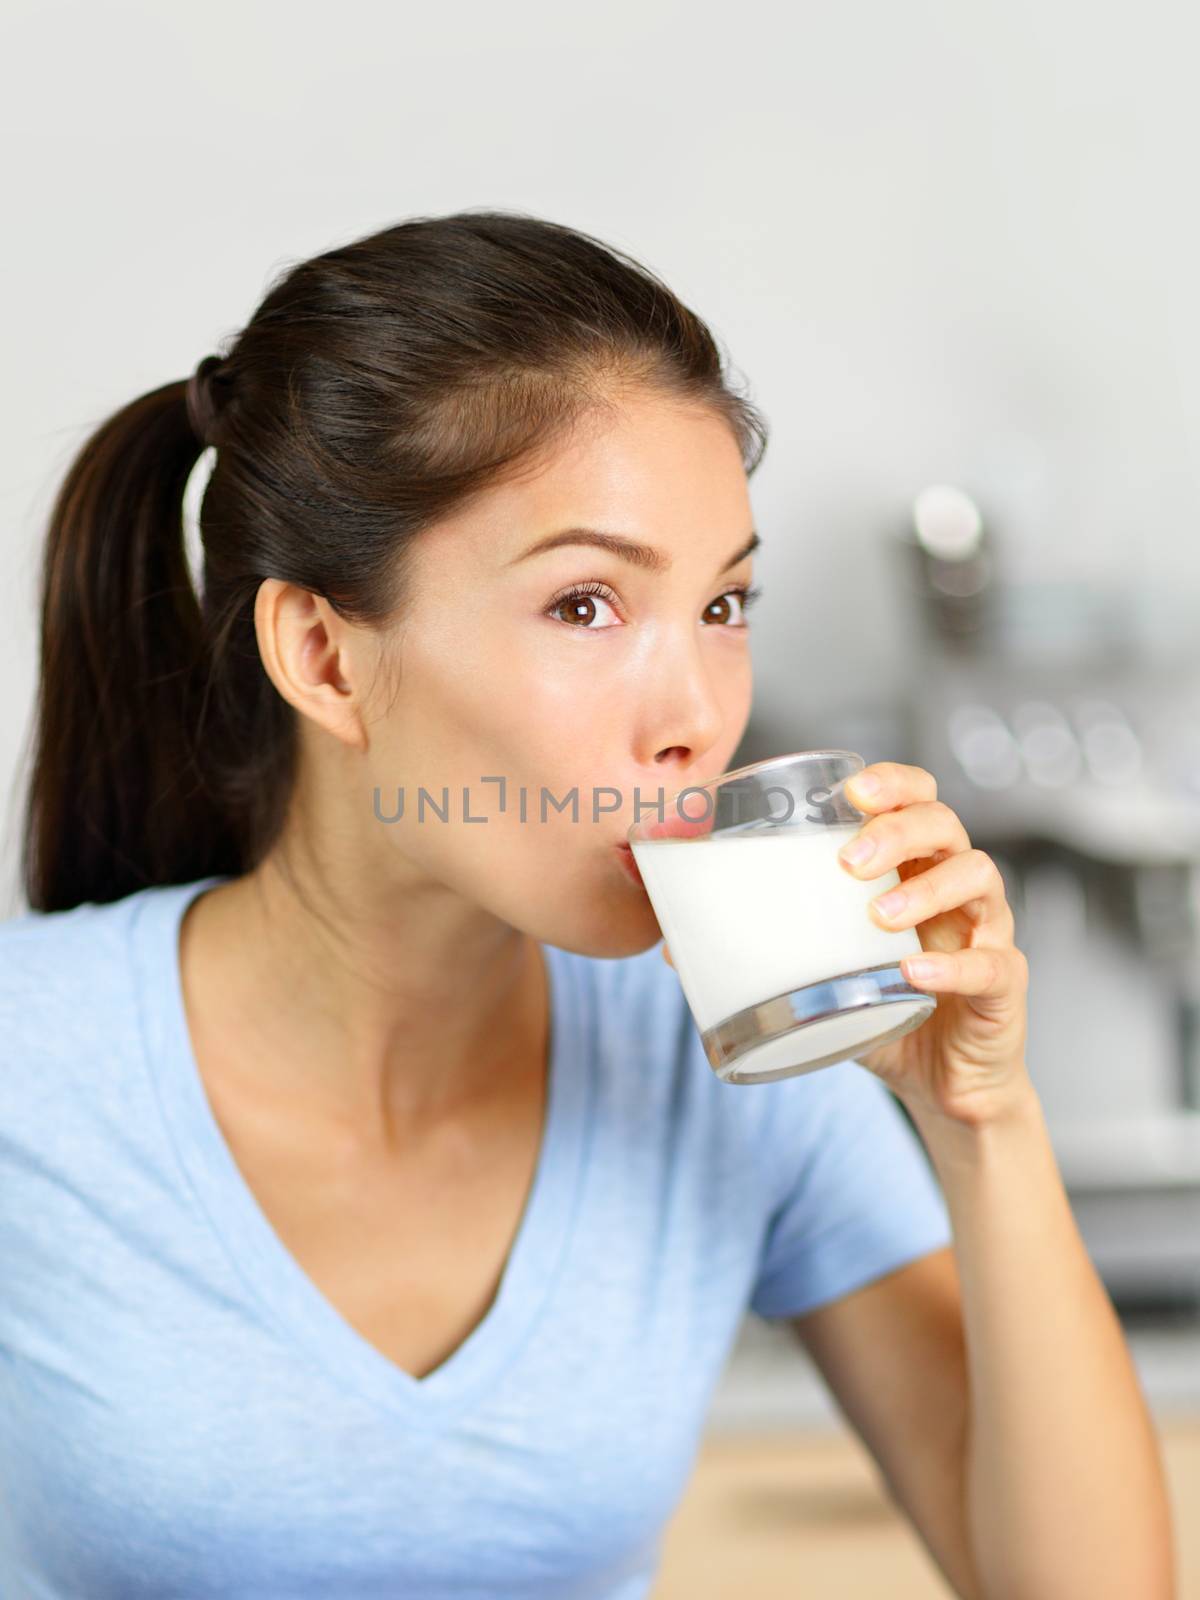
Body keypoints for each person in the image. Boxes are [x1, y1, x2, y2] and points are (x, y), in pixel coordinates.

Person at [0, 209, 1173, 1599]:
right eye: (585, 607)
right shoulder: (35, 1072)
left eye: (724, 608)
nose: (696, 719)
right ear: (320, 654)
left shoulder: (732, 1061)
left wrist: (985, 1120)